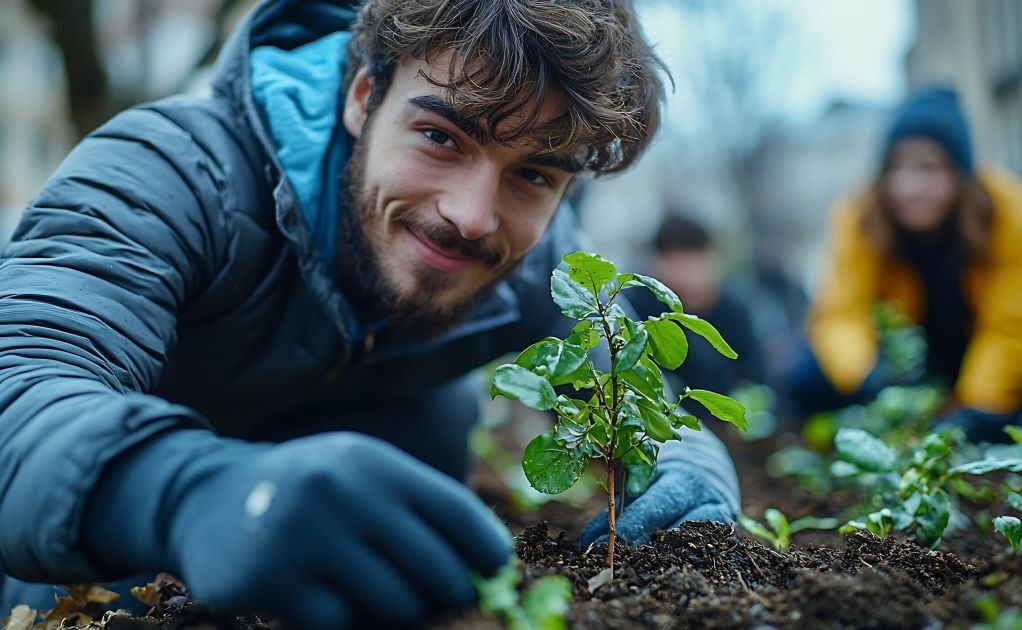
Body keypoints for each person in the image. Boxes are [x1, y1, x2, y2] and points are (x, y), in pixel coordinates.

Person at [0, 1, 740, 627]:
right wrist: (186, 492)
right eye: (441, 136)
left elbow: (644, 418)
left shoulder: (541, 271)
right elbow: (20, 387)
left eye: (534, 174)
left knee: (436, 411)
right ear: (363, 95)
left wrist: (688, 466)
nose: (473, 217)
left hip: (366, 585)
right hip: (107, 579)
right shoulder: (167, 176)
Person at [785, 86, 1022, 443]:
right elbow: (840, 313)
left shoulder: (1005, 212)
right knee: (805, 376)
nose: (908, 186)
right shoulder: (860, 215)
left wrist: (974, 407)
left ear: (959, 172)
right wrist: (868, 376)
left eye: (928, 167)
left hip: (974, 354)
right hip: (898, 365)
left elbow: (1009, 325)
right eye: (897, 166)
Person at [629, 214, 766, 399]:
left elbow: (755, 377)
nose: (694, 274)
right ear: (660, 265)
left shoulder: (734, 310)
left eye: (700, 261)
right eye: (683, 264)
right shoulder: (639, 307)